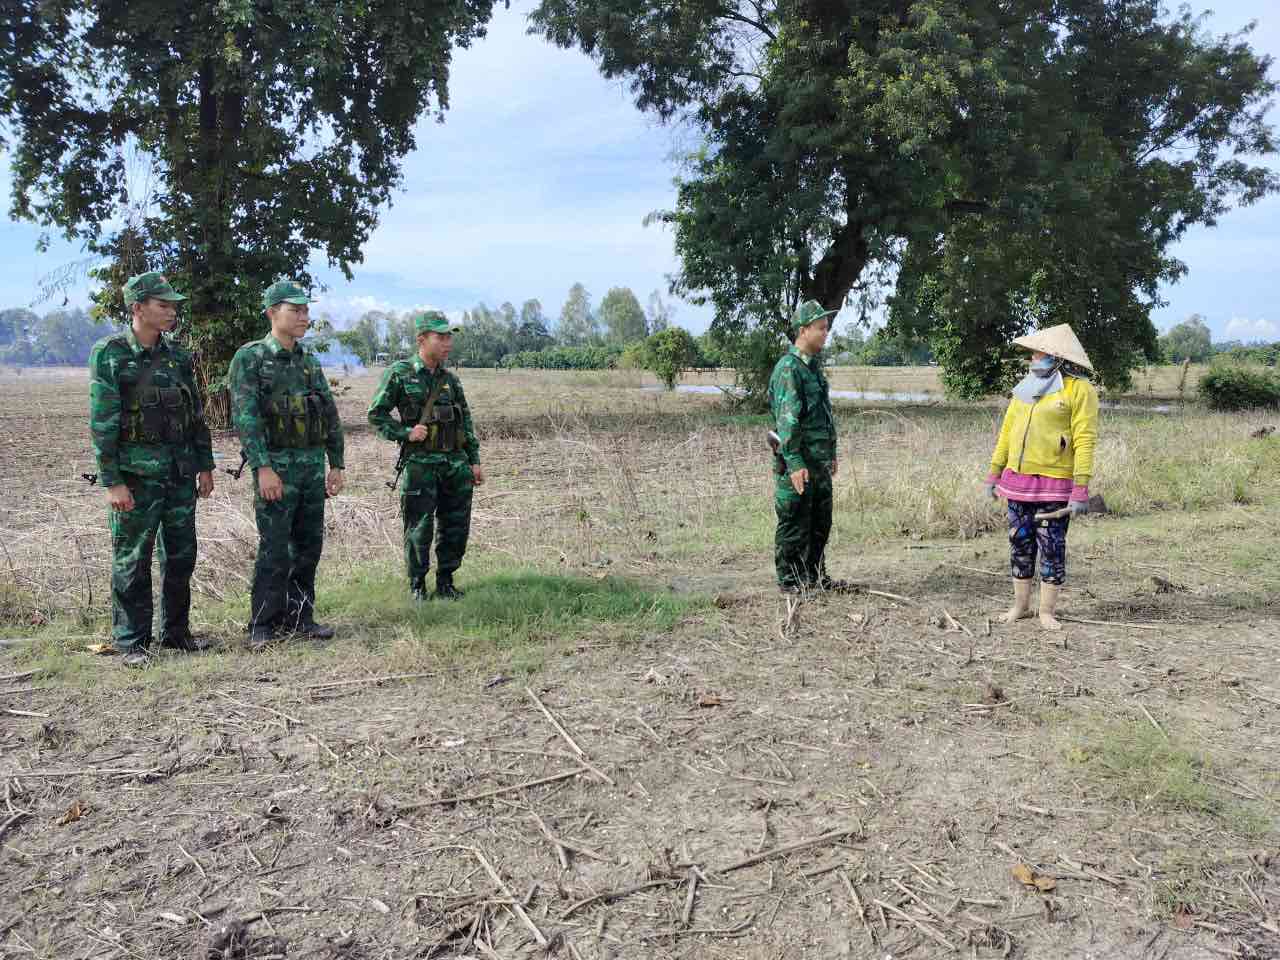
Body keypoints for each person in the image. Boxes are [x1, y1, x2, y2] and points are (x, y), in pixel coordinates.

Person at [88, 272, 216, 667]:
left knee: (181, 556)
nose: (171, 311)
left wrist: (205, 465)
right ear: (138, 307)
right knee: (133, 558)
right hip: (136, 478)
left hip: (178, 475)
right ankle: (131, 642)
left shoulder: (179, 355)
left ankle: (176, 633)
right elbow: (103, 422)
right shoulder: (110, 353)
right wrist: (112, 482)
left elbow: (195, 414)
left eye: (173, 305)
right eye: (163, 305)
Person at [229, 280, 345, 648]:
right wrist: (263, 468)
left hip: (310, 469)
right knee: (275, 548)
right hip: (276, 469)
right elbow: (246, 418)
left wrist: (336, 462)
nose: (304, 317)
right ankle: (262, 623)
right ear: (271, 312)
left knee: (308, 547)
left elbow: (328, 412)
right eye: (295, 311)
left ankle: (301, 618)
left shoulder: (307, 360)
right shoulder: (251, 358)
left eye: (306, 311)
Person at [985, 324, 1099, 630]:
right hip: (1017, 483)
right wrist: (994, 473)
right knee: (1020, 545)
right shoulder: (1024, 389)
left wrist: (1080, 488)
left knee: (1052, 547)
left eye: (1039, 353)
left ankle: (1046, 611)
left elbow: (1085, 440)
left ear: (1058, 358)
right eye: (1034, 353)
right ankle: (1020, 606)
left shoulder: (1079, 390)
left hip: (1055, 485)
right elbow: (1007, 433)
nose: (1033, 358)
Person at [367, 311, 483, 600]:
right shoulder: (400, 373)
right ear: (422, 339)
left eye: (449, 337)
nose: (447, 343)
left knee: (456, 525)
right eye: (440, 337)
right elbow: (377, 415)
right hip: (420, 464)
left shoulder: (450, 380)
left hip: (455, 464)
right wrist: (405, 433)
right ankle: (418, 586)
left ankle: (446, 581)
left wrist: (474, 460)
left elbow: (465, 421)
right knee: (419, 528)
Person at [768, 299, 850, 595]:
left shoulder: (813, 368)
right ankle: (790, 583)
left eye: (827, 328)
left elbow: (823, 416)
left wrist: (832, 454)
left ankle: (815, 577)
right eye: (821, 328)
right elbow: (787, 422)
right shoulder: (789, 370)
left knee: (820, 523)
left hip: (819, 463)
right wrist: (794, 463)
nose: (826, 333)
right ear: (803, 331)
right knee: (794, 524)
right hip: (799, 465)